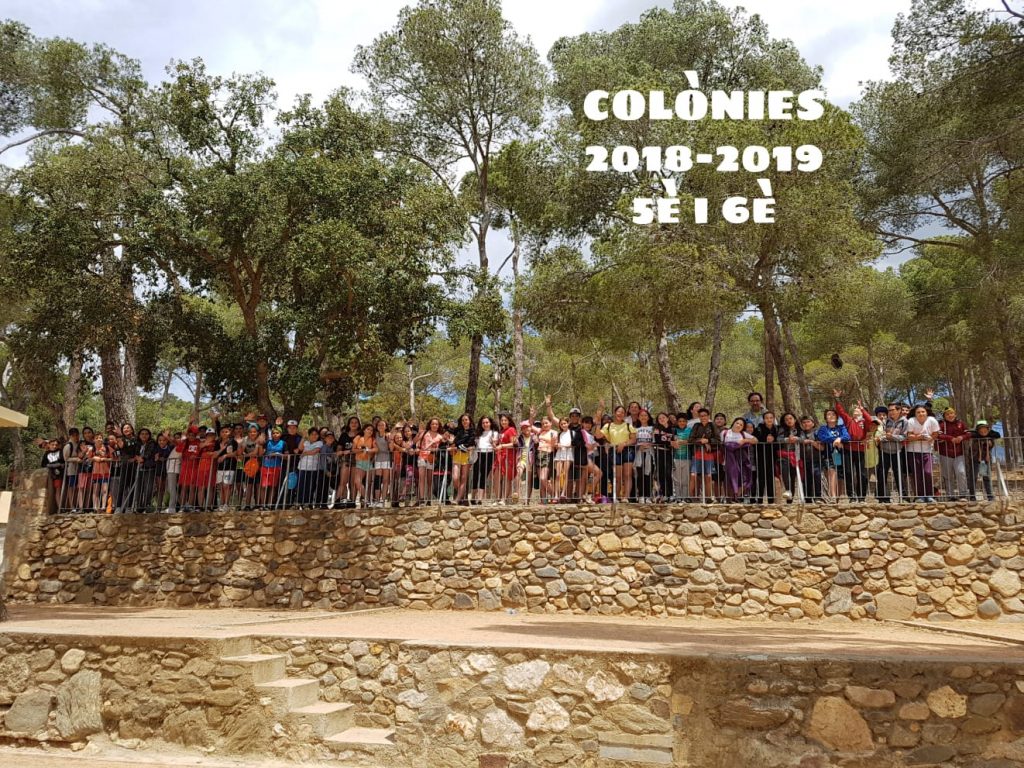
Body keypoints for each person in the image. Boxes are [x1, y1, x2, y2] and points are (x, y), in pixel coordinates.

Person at [833, 391, 874, 502]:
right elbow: (841, 411)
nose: (856, 410)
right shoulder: (849, 420)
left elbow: (870, 421)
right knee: (848, 472)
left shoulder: (864, 421)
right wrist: (837, 398)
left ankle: (861, 497)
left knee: (862, 474)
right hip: (848, 450)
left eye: (858, 409)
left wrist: (862, 409)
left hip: (860, 450)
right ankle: (851, 496)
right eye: (855, 409)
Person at [905, 405, 940, 502]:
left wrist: (931, 438)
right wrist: (921, 437)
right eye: (918, 412)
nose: (921, 414)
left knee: (927, 473)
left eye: (923, 412)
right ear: (915, 413)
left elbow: (936, 433)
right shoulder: (911, 421)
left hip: (927, 451)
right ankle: (919, 496)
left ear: (926, 412)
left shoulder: (932, 420)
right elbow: (909, 436)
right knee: (917, 474)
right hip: (912, 451)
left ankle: (929, 495)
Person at [935, 407, 969, 500]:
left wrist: (961, 437)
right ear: (944, 416)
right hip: (945, 453)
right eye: (947, 414)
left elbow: (968, 434)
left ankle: (963, 494)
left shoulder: (961, 423)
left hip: (959, 453)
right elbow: (938, 435)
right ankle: (950, 495)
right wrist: (950, 438)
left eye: (951, 413)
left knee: (961, 472)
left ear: (955, 414)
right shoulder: (941, 424)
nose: (950, 415)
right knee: (947, 475)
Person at [815, 409, 850, 501]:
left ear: (837, 417)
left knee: (839, 476)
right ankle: (832, 496)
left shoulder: (841, 428)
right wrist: (836, 440)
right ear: (825, 418)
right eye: (829, 414)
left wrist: (840, 439)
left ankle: (837, 498)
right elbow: (822, 437)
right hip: (828, 454)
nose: (831, 416)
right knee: (831, 472)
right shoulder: (823, 428)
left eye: (833, 414)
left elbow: (847, 436)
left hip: (839, 454)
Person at [875, 404, 907, 503]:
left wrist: (892, 437)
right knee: (882, 474)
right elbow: (882, 435)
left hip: (897, 452)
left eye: (892, 410)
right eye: (889, 410)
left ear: (899, 410)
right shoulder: (886, 421)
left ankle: (904, 498)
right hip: (884, 451)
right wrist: (885, 437)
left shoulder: (904, 421)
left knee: (899, 475)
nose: (890, 412)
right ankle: (883, 498)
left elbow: (904, 436)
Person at [688, 409, 720, 503]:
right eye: (701, 416)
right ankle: (691, 497)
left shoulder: (712, 425)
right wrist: (701, 441)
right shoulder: (696, 425)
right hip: (697, 453)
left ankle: (708, 498)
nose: (703, 417)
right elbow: (691, 439)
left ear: (708, 416)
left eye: (705, 415)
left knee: (708, 476)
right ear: (699, 417)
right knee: (693, 475)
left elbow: (718, 440)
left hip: (709, 454)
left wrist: (708, 441)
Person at [723, 417, 757, 502]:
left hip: (741, 459)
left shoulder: (743, 434)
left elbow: (755, 440)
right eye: (737, 423)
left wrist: (745, 440)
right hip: (728, 460)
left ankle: (736, 496)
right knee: (730, 478)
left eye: (741, 425)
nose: (738, 425)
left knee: (743, 478)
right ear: (733, 423)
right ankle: (729, 498)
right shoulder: (725, 432)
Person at [965, 420, 1000, 501]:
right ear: (978, 430)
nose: (983, 431)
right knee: (973, 477)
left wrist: (989, 435)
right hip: (975, 459)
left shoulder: (990, 436)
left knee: (986, 477)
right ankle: (972, 496)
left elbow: (997, 435)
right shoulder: (975, 437)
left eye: (985, 429)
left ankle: (990, 496)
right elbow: (968, 434)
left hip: (985, 460)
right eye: (981, 429)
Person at [752, 411, 779, 503]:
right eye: (767, 418)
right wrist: (764, 439)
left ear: (774, 419)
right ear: (764, 419)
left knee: (771, 478)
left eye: (771, 418)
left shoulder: (777, 429)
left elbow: (779, 440)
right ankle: (759, 500)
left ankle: (771, 500)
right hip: (760, 456)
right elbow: (755, 440)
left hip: (773, 456)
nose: (769, 419)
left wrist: (774, 440)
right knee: (761, 478)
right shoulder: (758, 429)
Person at [470, 416, 497, 504]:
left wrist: (493, 443)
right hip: (478, 454)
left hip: (489, 454)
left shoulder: (494, 433)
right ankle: (473, 497)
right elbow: (474, 444)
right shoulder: (478, 433)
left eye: (487, 422)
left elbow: (495, 446)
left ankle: (480, 499)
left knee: (483, 476)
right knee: (475, 475)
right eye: (483, 423)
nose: (485, 424)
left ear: (490, 423)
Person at [450, 413, 475, 505]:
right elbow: (448, 431)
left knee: (464, 478)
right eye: (463, 420)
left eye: (466, 420)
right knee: (455, 477)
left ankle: (457, 499)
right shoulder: (458, 430)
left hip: (467, 455)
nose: (464, 421)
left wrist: (458, 445)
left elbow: (470, 443)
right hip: (457, 454)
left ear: (470, 421)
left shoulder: (473, 431)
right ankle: (463, 496)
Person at [776, 412, 801, 502]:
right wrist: (787, 439)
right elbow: (778, 439)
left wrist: (797, 439)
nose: (789, 421)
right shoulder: (782, 429)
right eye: (786, 420)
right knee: (785, 473)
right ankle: (787, 490)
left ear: (795, 419)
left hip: (795, 456)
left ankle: (790, 499)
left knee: (793, 476)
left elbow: (803, 438)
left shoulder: (799, 429)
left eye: (790, 418)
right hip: (784, 455)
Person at [632, 408, 656, 503]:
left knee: (649, 475)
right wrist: (639, 447)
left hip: (650, 454)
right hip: (639, 454)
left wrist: (650, 444)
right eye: (641, 415)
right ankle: (641, 495)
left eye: (645, 415)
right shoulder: (635, 429)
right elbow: (633, 442)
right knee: (640, 475)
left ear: (648, 417)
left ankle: (648, 496)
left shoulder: (652, 428)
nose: (643, 417)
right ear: (638, 417)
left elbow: (656, 440)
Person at [798, 416, 823, 501]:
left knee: (817, 477)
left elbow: (822, 448)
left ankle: (818, 497)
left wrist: (811, 442)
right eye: (804, 422)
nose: (806, 424)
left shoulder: (817, 433)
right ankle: (807, 499)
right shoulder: (800, 433)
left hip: (816, 460)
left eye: (808, 422)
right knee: (805, 479)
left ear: (812, 423)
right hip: (803, 460)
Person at [495, 414, 519, 504]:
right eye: (502, 420)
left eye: (505, 420)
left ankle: (504, 499)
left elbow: (514, 444)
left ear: (509, 421)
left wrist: (502, 446)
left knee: (507, 478)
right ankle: (498, 499)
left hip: (508, 456)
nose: (503, 422)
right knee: (498, 478)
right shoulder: (501, 431)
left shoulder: (511, 429)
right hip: (500, 456)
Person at [672, 411, 692, 502]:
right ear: (677, 422)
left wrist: (684, 442)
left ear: (686, 422)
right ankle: (677, 497)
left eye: (684, 421)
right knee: (676, 478)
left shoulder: (689, 430)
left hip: (687, 457)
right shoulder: (674, 430)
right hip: (676, 457)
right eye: (680, 421)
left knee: (685, 479)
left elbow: (692, 440)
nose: (682, 423)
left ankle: (685, 497)